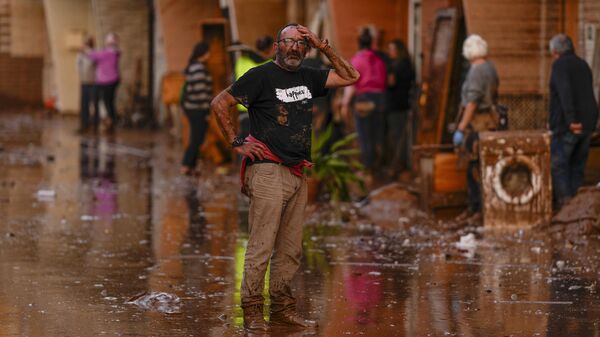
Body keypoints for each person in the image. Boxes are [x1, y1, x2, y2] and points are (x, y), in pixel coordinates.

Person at [211, 23, 359, 332]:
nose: (294, 48)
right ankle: (252, 310)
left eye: (300, 44)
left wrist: (324, 47)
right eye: (288, 42)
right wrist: (238, 143)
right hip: (266, 169)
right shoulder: (260, 76)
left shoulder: (309, 76)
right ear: (278, 45)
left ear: (305, 50)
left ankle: (281, 309)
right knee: (262, 245)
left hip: (296, 171)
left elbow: (350, 76)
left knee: (291, 249)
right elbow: (220, 103)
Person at [548, 34, 599, 209]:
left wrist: (571, 120)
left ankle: (566, 206)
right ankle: (578, 207)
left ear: (555, 52)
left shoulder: (559, 66)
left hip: (569, 126)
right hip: (587, 123)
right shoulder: (583, 64)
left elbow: (565, 93)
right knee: (577, 166)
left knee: (559, 165)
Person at [452, 34, 499, 223]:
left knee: (475, 169)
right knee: (483, 167)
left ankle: (476, 209)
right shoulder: (490, 67)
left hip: (479, 124)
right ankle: (478, 208)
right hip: (490, 122)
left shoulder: (477, 71)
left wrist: (461, 128)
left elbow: (472, 102)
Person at [341, 27, 387, 178]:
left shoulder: (357, 60)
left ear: (359, 44)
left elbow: (352, 84)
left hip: (364, 100)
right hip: (380, 99)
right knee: (378, 135)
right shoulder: (380, 60)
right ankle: (378, 168)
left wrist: (345, 104)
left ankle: (368, 170)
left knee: (365, 136)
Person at [180, 42, 213, 176]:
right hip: (197, 109)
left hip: (191, 107)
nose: (210, 55)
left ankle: (190, 166)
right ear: (203, 54)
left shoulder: (193, 67)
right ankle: (186, 165)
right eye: (208, 52)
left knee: (196, 137)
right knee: (197, 138)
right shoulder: (199, 69)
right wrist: (207, 111)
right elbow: (201, 93)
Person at [385, 39, 415, 177]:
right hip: (402, 104)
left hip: (397, 106)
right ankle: (400, 165)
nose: (389, 52)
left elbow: (391, 82)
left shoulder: (397, 66)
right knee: (400, 136)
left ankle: (400, 166)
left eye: (392, 49)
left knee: (398, 137)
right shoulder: (407, 64)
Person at [87, 32, 120, 132]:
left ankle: (108, 120)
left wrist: (88, 48)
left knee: (105, 101)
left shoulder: (108, 53)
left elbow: (92, 55)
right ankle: (110, 119)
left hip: (106, 81)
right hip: (111, 80)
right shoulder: (114, 52)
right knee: (109, 101)